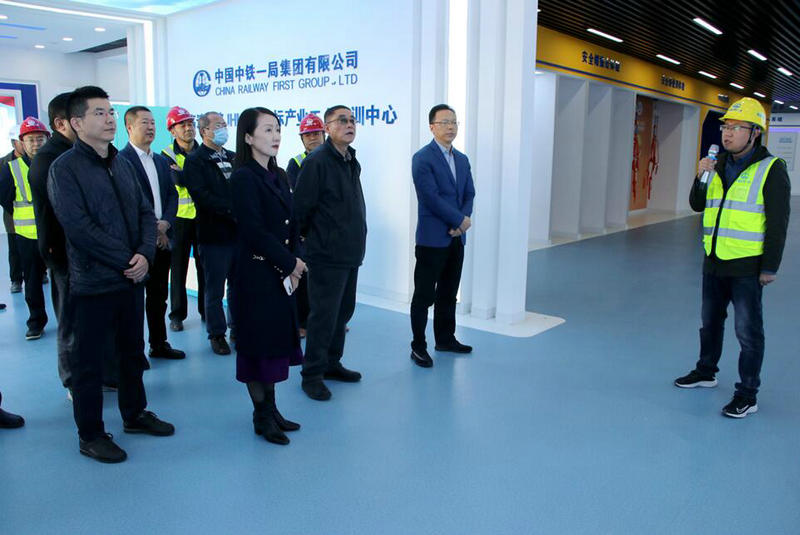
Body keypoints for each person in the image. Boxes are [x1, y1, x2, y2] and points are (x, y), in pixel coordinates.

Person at [48, 86, 174, 463]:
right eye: (99, 113)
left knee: (132, 352)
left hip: (130, 280)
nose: (109, 119)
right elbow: (79, 227)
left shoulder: (121, 163)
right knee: (88, 363)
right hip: (92, 283)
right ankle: (90, 434)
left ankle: (134, 414)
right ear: (76, 123)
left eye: (110, 112)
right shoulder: (64, 169)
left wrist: (145, 254)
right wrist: (128, 259)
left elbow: (144, 212)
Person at [674, 97, 791, 418]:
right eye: (726, 126)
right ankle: (706, 371)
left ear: (755, 133)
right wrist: (701, 176)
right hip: (714, 260)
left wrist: (770, 266)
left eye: (737, 128)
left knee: (748, 332)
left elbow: (778, 223)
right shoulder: (717, 164)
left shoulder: (771, 170)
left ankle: (747, 394)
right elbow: (698, 205)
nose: (727, 133)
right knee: (710, 323)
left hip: (747, 267)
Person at [230, 107, 304, 444]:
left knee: (273, 344)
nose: (276, 137)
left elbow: (292, 224)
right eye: (267, 130)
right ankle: (261, 415)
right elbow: (254, 231)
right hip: (255, 276)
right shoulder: (243, 178)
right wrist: (290, 263)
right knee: (257, 346)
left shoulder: (279, 175)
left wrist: (296, 259)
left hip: (279, 273)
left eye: (277, 129)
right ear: (248, 137)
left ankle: (272, 409)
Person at [294, 105, 366, 401]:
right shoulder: (317, 162)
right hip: (326, 254)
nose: (349, 125)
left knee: (343, 313)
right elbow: (301, 210)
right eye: (342, 120)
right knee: (323, 316)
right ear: (327, 127)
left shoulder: (350, 158)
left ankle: (332, 364)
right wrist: (315, 242)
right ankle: (311, 374)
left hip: (350, 251)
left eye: (352, 120)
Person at [409, 104, 475, 368]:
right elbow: (430, 197)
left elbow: (469, 193)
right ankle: (418, 346)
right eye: (445, 122)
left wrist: (461, 224)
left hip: (456, 238)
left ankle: (445, 339)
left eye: (454, 122)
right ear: (432, 127)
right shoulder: (422, 158)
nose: (451, 127)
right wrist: (459, 220)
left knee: (448, 292)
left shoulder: (462, 159)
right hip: (432, 239)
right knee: (424, 296)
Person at [119, 106, 185, 360]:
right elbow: (127, 203)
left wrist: (165, 222)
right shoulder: (121, 161)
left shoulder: (160, 160)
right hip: (137, 243)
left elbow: (172, 195)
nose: (150, 128)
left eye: (153, 123)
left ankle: (159, 344)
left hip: (163, 238)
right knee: (134, 300)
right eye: (144, 123)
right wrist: (152, 230)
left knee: (159, 296)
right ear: (129, 127)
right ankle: (134, 353)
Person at [28, 92, 78, 392]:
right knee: (69, 319)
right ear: (61, 123)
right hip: (62, 251)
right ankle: (73, 380)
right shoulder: (50, 159)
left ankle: (99, 373)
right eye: (80, 116)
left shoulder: (79, 151)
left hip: (85, 252)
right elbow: (57, 212)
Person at [183, 111, 237, 355]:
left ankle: (237, 328)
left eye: (224, 124)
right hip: (213, 234)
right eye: (218, 125)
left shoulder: (234, 157)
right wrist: (233, 209)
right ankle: (217, 334)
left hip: (238, 234)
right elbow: (202, 196)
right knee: (214, 289)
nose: (223, 128)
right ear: (204, 131)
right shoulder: (196, 160)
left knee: (238, 286)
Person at [0, 117, 50, 340]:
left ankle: (69, 320)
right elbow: (5, 198)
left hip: (55, 234)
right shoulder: (11, 169)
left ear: (47, 139)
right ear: (22, 143)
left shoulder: (57, 163)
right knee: (32, 281)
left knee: (63, 280)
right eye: (31, 140)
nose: (36, 144)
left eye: (40, 139)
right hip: (27, 235)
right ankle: (36, 322)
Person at [162, 106, 205, 332]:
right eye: (182, 125)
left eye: (190, 124)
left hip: (204, 217)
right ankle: (177, 315)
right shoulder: (166, 155)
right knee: (178, 268)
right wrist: (192, 177)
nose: (188, 128)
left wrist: (184, 174)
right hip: (179, 219)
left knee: (205, 266)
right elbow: (176, 181)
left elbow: (197, 180)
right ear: (172, 130)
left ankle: (206, 311)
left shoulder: (203, 151)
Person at [286, 113, 325, 337]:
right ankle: (302, 323)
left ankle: (331, 320)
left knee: (328, 279)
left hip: (329, 231)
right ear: (302, 138)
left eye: (316, 133)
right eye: (308, 134)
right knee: (305, 277)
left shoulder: (334, 158)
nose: (313, 138)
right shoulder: (296, 163)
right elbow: (300, 196)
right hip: (307, 230)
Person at [1, 126, 23, 294]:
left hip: (34, 215)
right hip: (13, 215)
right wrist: (13, 209)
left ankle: (42, 273)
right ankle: (16, 280)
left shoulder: (36, 160)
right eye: (21, 141)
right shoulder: (3, 163)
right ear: (14, 143)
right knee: (14, 249)